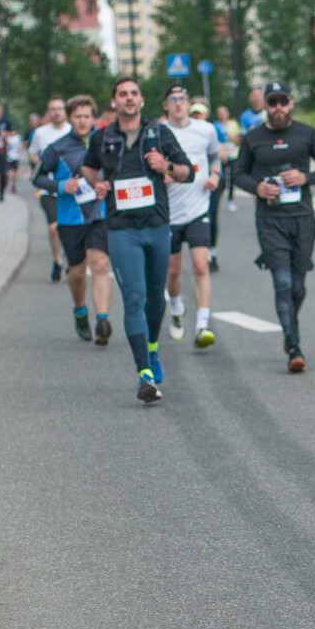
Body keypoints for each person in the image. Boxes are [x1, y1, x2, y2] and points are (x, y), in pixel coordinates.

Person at [81, 78, 193, 403]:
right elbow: (88, 168)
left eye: (133, 93)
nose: (128, 98)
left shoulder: (159, 132)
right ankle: (144, 373)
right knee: (133, 298)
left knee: (155, 298)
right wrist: (98, 184)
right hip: (121, 229)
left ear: (141, 100)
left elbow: (188, 172)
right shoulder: (102, 136)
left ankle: (153, 348)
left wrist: (166, 166)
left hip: (156, 225)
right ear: (114, 101)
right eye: (122, 94)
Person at [234, 81, 315, 371]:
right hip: (270, 220)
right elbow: (237, 174)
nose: (278, 107)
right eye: (272, 102)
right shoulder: (253, 138)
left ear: (291, 103)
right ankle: (294, 347)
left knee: (298, 287)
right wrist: (257, 188)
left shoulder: (307, 133)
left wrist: (305, 178)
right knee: (282, 283)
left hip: (303, 219)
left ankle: (289, 324)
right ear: (265, 106)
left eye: (282, 101)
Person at [33, 95, 113, 345]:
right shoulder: (57, 148)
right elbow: (37, 178)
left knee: (100, 264)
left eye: (86, 116)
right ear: (70, 118)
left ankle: (102, 320)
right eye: (77, 116)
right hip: (70, 218)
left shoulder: (105, 143)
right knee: (77, 272)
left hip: (100, 215)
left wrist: (108, 184)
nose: (82, 121)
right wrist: (60, 185)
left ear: (94, 119)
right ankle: (80, 311)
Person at [163, 86, 221, 348]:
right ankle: (177, 308)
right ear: (166, 105)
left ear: (188, 103)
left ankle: (202, 325)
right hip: (170, 212)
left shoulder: (206, 130)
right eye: (173, 99)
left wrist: (215, 175)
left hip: (199, 208)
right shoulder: (159, 132)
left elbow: (214, 157)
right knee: (172, 271)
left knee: (200, 266)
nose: (178, 103)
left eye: (182, 99)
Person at [29, 97, 72, 284]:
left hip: (71, 188)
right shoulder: (40, 133)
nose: (57, 112)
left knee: (68, 227)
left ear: (65, 111)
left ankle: (68, 256)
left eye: (60, 108)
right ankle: (57, 260)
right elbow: (32, 152)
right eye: (53, 109)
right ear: (48, 113)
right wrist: (42, 165)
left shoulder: (73, 131)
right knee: (54, 227)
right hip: (48, 188)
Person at [188, 98, 224, 273]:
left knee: (211, 216)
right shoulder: (185, 130)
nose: (198, 117)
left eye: (200, 113)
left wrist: (213, 173)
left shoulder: (213, 130)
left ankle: (211, 253)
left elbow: (221, 155)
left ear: (207, 114)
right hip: (192, 182)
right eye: (194, 114)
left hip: (211, 181)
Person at [217, 104, 240, 212]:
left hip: (233, 155)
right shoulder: (216, 125)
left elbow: (239, 140)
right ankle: (219, 198)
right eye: (220, 113)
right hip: (221, 156)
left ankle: (230, 201)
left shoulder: (234, 124)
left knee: (232, 179)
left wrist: (232, 137)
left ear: (227, 113)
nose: (222, 115)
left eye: (224, 113)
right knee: (222, 179)